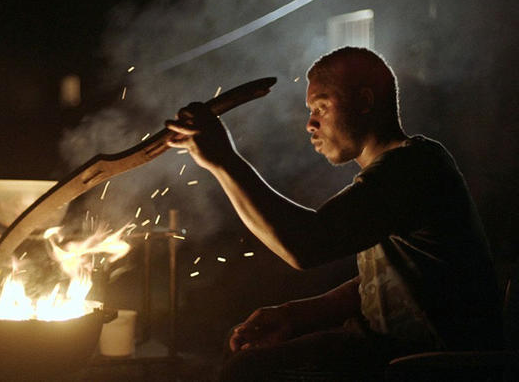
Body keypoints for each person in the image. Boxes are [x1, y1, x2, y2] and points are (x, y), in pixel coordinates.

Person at [165, 47, 503, 380]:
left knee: (246, 370)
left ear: (365, 101)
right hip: (387, 348)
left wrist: (224, 160)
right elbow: (382, 284)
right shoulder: (394, 172)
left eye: (321, 107)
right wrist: (292, 316)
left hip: (427, 362)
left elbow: (305, 245)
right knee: (242, 349)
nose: (310, 123)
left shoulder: (413, 167)